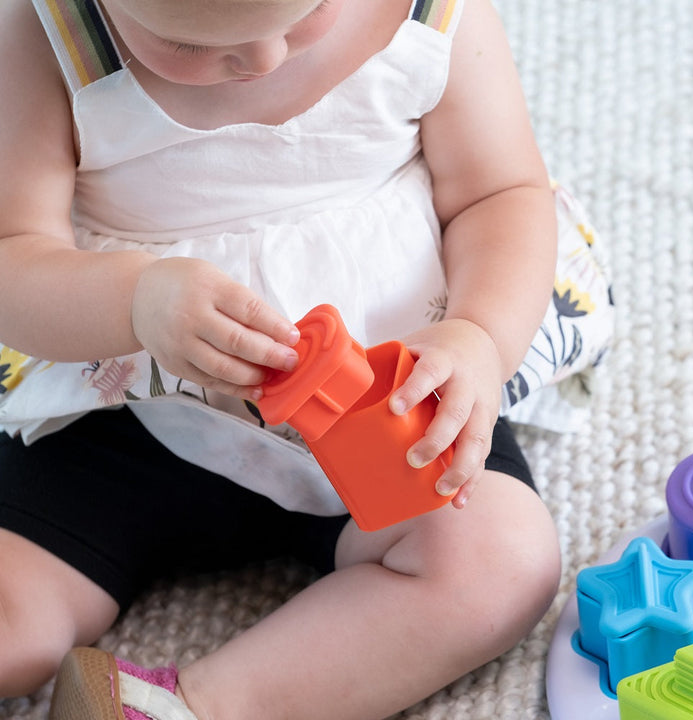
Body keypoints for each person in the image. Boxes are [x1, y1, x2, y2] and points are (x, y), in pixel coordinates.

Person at [0, 0, 613, 717]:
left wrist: (478, 334)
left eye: (312, 11)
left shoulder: (433, 17)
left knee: (499, 563)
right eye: (182, 40)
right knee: (16, 630)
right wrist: (134, 300)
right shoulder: (45, 39)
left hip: (392, 411)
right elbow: (16, 259)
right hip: (137, 417)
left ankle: (193, 709)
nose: (263, 60)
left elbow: (499, 194)